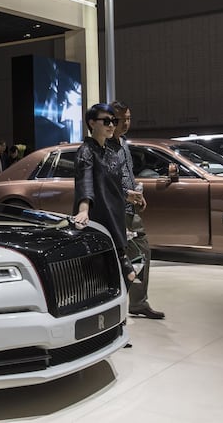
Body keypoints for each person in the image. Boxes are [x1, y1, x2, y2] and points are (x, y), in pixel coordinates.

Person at [110, 100, 165, 319]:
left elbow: (127, 174)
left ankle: (138, 302)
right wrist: (126, 194)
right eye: (121, 119)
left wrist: (137, 195)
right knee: (118, 259)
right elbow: (104, 182)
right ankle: (116, 307)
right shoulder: (102, 147)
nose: (126, 123)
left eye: (128, 119)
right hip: (113, 211)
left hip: (130, 209)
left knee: (141, 253)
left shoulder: (123, 144)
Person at [73, 103, 136, 287]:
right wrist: (83, 210)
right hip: (99, 217)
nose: (111, 125)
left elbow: (111, 183)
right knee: (112, 274)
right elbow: (84, 182)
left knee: (118, 275)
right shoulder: (86, 151)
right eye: (106, 121)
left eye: (113, 121)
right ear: (92, 123)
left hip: (115, 217)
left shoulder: (110, 152)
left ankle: (116, 311)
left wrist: (127, 195)